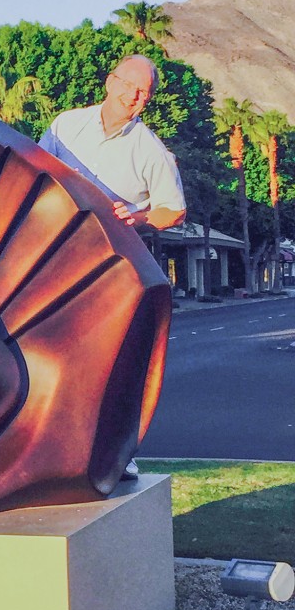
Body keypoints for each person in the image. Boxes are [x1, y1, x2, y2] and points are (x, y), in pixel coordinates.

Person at [39, 53, 186, 478]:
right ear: (110, 81)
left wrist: (139, 218)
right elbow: (38, 170)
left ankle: (114, 453)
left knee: (105, 362)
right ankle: (47, 449)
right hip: (52, 258)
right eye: (128, 85)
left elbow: (172, 210)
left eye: (144, 92)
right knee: (46, 356)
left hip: (111, 270)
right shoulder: (65, 126)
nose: (133, 96)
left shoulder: (151, 151)